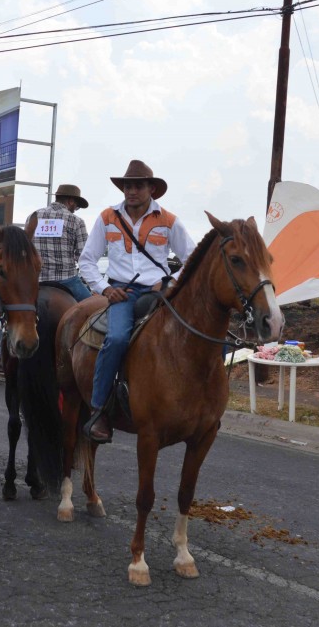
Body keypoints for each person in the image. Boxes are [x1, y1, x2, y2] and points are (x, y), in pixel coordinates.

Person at [77, 161, 195, 442]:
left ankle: (197, 403)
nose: (132, 191)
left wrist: (169, 283)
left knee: (195, 335)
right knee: (117, 339)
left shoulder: (169, 220)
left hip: (160, 293)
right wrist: (106, 289)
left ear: (151, 188)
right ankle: (99, 410)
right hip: (123, 292)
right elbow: (87, 261)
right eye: (127, 186)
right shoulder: (107, 217)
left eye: (138, 185)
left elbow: (191, 258)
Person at [28, 183, 92, 302]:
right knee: (98, 311)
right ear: (71, 201)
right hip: (67, 280)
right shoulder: (76, 221)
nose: (75, 210)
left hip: (36, 281)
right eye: (77, 206)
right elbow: (83, 257)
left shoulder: (33, 216)